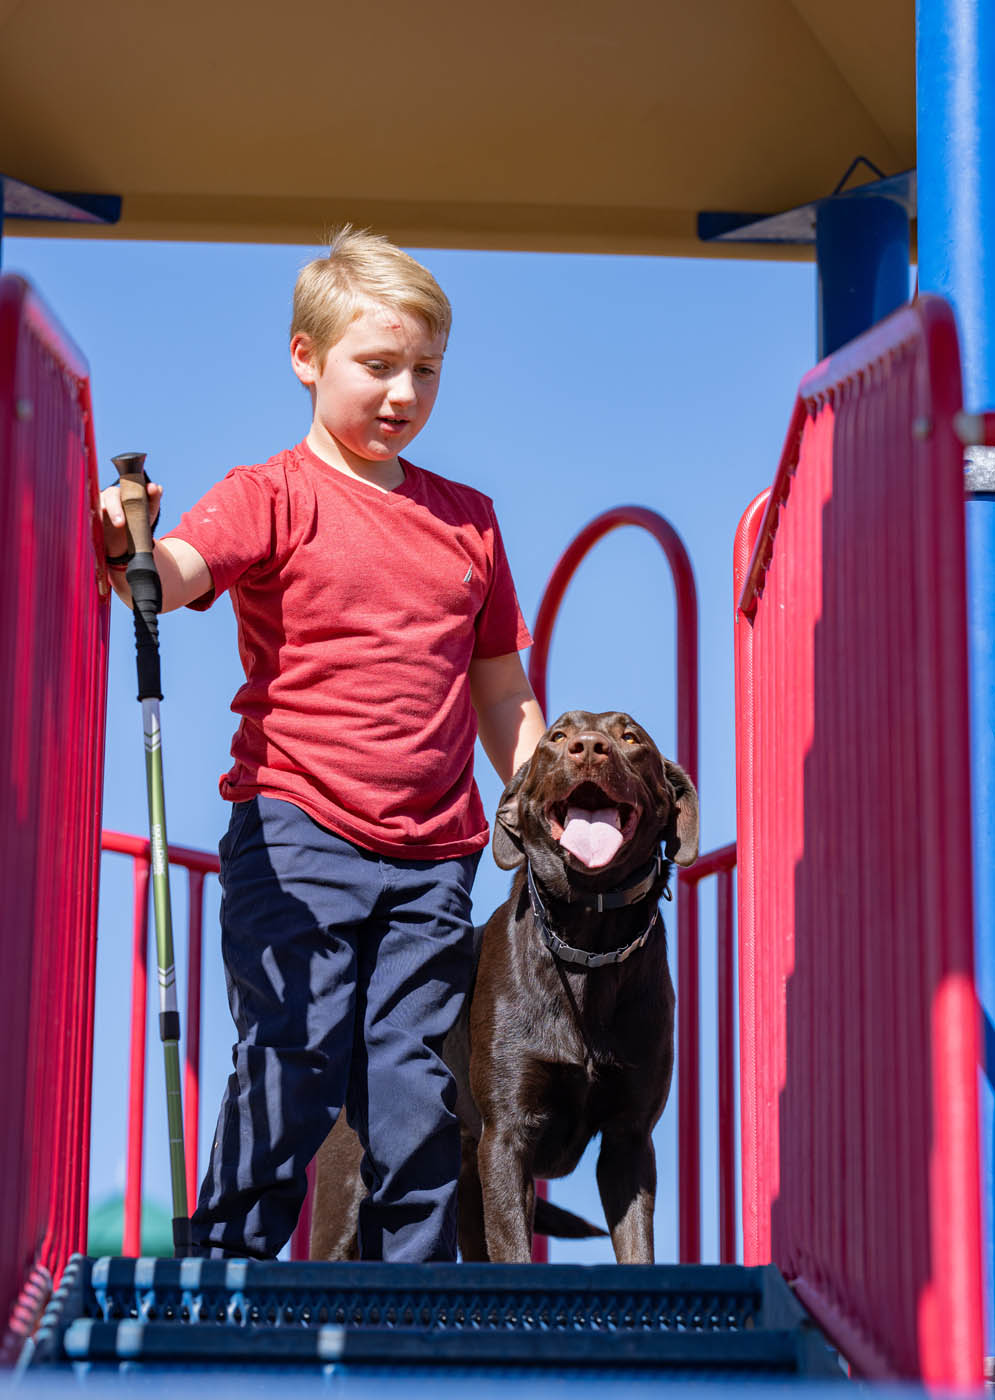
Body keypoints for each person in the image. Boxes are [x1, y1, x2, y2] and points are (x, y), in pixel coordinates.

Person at [100, 227, 546, 1262]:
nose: (401, 393)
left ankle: (413, 1300)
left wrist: (538, 804)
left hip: (432, 850)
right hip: (295, 826)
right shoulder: (273, 493)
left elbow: (500, 688)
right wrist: (132, 542)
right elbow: (174, 570)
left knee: (416, 1086)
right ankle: (231, 1265)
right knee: (293, 1053)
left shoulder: (466, 521)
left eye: (423, 370)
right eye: (376, 366)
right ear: (307, 356)